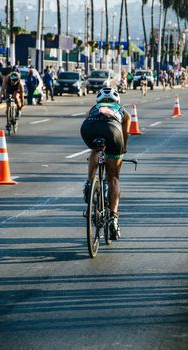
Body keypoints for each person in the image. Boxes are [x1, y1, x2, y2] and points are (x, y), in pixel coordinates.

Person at [80, 87, 131, 240]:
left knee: (95, 149)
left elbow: (86, 119)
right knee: (114, 178)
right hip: (113, 131)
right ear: (117, 101)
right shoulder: (124, 111)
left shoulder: (93, 108)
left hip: (89, 128)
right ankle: (114, 218)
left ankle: (89, 182)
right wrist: (122, 151)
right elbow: (125, 134)